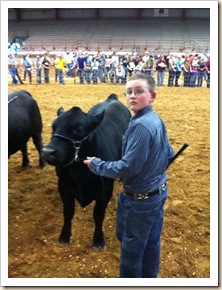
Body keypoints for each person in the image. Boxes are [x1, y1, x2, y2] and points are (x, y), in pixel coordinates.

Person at [84, 73, 174, 278]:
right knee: (151, 243)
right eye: (129, 92)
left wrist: (96, 164)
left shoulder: (140, 126)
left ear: (152, 96)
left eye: (139, 91)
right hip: (157, 193)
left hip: (140, 201)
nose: (132, 96)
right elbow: (168, 153)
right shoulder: (155, 119)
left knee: (131, 253)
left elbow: (127, 168)